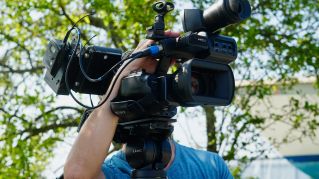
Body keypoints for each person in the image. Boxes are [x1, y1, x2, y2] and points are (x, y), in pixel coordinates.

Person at [63, 31, 233, 179]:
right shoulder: (114, 172)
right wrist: (124, 73)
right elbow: (77, 174)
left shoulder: (212, 167)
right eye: (132, 88)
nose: (148, 94)